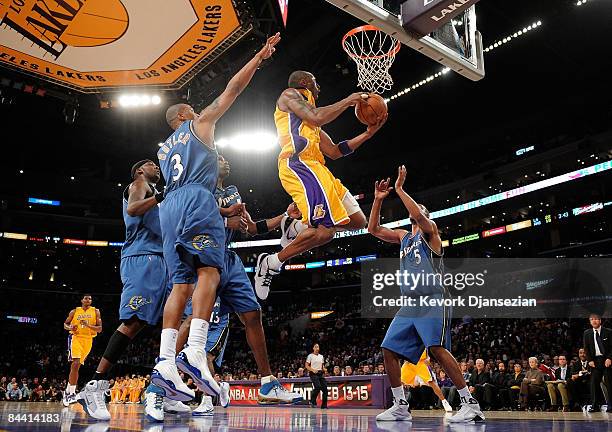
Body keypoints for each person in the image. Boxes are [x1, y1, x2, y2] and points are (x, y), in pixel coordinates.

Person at [151, 34, 281, 403]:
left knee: (181, 284)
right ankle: (194, 350)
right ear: (182, 117)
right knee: (210, 271)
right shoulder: (199, 124)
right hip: (196, 199)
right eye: (189, 109)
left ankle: (164, 360)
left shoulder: (163, 150)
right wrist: (259, 57)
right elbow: (233, 88)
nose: (196, 109)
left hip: (170, 208)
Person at [254, 70, 387, 300]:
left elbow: (335, 151)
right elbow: (316, 116)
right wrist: (348, 101)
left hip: (318, 168)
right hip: (299, 165)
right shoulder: (290, 95)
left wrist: (368, 134)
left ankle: (294, 227)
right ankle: (271, 262)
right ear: (305, 82)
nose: (319, 87)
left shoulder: (310, 123)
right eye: (316, 82)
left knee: (358, 221)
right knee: (326, 233)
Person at [367, 167, 483, 423]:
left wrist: (399, 190)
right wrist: (377, 200)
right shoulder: (403, 237)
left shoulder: (431, 234)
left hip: (432, 299)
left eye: (418, 210)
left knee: (436, 349)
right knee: (387, 349)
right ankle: (399, 404)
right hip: (409, 304)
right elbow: (373, 229)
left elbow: (418, 215)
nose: (414, 212)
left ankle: (469, 403)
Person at [78, 160, 187, 420]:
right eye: (150, 164)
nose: (156, 167)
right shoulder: (139, 185)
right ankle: (95, 384)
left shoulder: (157, 200)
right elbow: (136, 209)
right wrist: (162, 195)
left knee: (169, 323)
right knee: (133, 321)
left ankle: (164, 389)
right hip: (142, 259)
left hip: (160, 261)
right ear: (139, 170)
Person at [63, 294, 102, 406]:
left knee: (78, 365)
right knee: (75, 363)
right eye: (86, 298)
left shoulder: (96, 311)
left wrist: (88, 325)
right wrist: (70, 327)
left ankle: (67, 391)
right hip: (76, 338)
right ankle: (71, 393)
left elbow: (99, 329)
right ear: (82, 300)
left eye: (90, 298)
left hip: (88, 340)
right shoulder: (74, 311)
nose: (88, 300)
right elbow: (65, 324)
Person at [583, 313, 612, 412]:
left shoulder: (608, 332)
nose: (594, 321)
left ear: (600, 321)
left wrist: (609, 358)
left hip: (607, 361)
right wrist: (590, 360)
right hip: (595, 361)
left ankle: (610, 405)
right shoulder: (587, 333)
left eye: (596, 319)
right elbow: (586, 348)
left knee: (609, 382)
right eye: (592, 319)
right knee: (594, 383)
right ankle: (595, 405)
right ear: (590, 322)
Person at [306, 343, 328, 409]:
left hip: (320, 373)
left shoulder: (321, 356)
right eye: (315, 347)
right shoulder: (310, 356)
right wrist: (312, 370)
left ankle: (324, 406)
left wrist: (324, 369)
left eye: (318, 347)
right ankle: (312, 401)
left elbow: (322, 366)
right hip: (313, 373)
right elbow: (306, 366)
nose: (317, 348)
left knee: (325, 389)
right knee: (318, 387)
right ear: (313, 348)